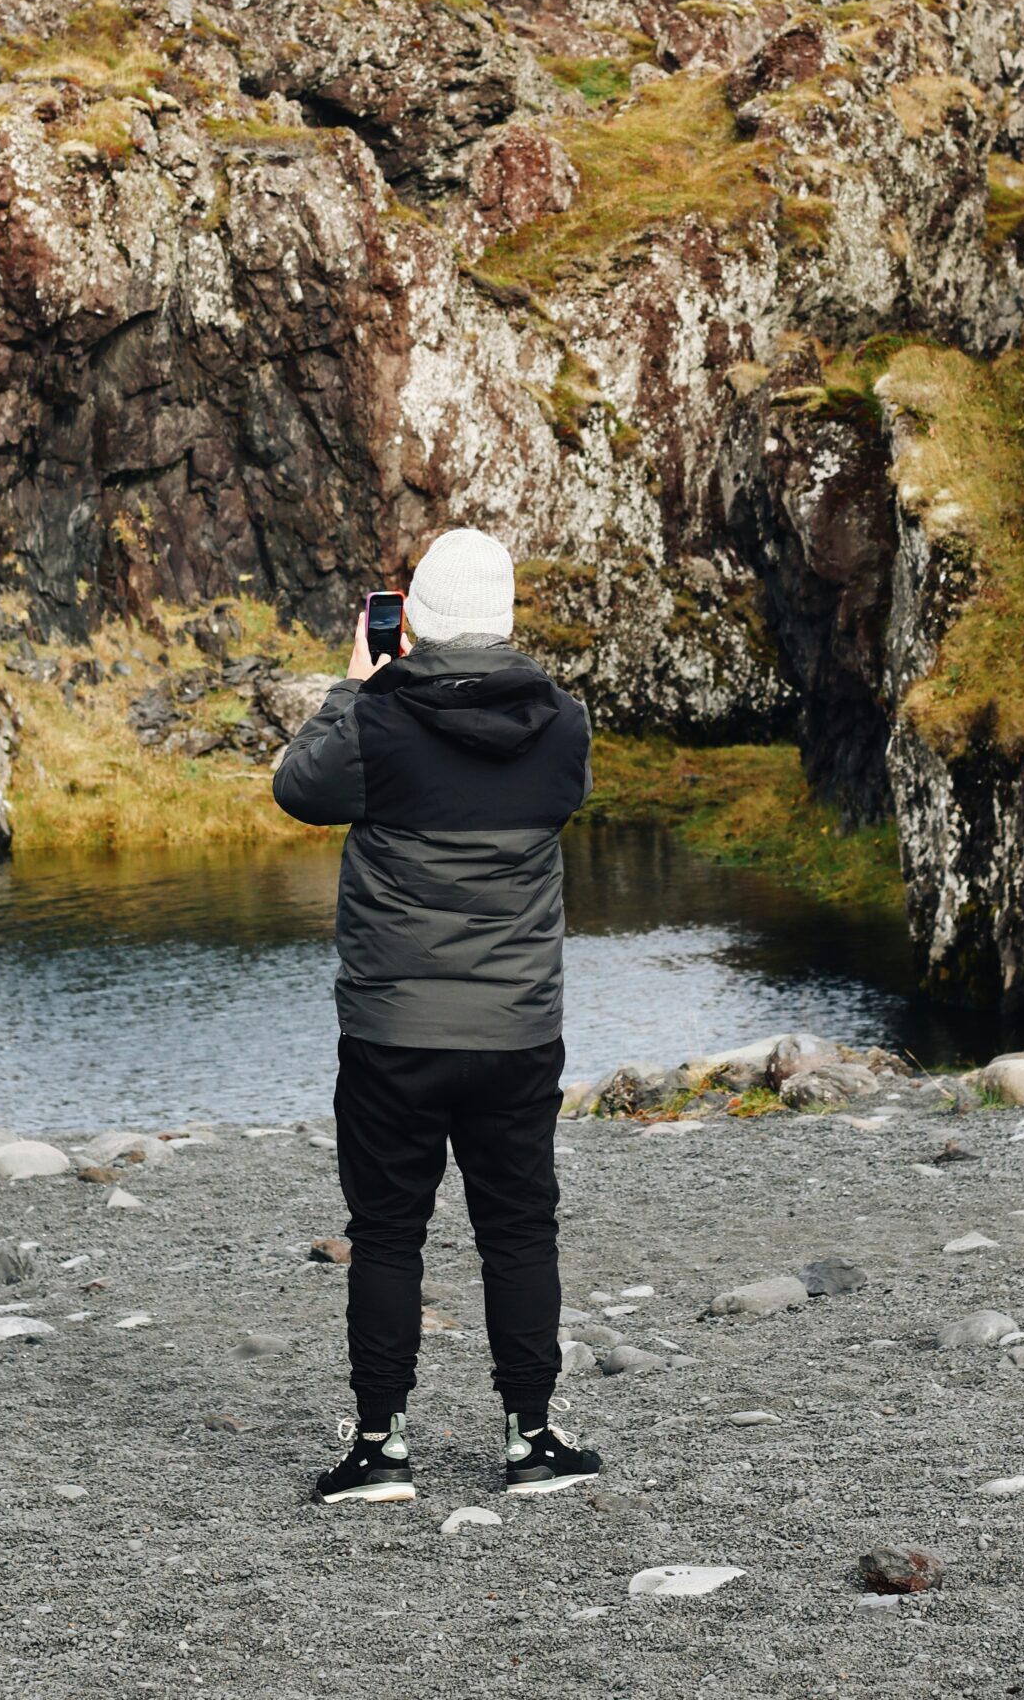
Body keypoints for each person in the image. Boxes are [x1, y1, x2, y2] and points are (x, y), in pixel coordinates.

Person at [272, 526, 604, 1505]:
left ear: (410, 616)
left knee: (385, 1234)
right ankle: (531, 1439)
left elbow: (298, 788)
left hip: (393, 1030)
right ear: (502, 618)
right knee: (519, 1230)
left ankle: (380, 1450)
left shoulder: (377, 721)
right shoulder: (565, 725)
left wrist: (357, 684)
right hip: (516, 1031)